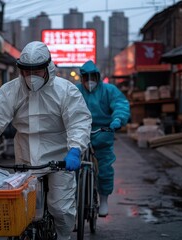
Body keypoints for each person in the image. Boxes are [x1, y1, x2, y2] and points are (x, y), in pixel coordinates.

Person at [0, 41, 92, 240]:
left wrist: (75, 150)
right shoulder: (11, 91)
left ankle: (64, 237)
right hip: (25, 157)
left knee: (60, 207)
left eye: (37, 71)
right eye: (27, 72)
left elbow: (78, 122)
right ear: (21, 70)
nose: (31, 77)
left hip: (60, 157)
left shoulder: (65, 91)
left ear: (48, 68)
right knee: (26, 211)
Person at [76, 60, 130, 217]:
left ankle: (104, 199)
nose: (90, 81)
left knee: (105, 168)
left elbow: (120, 104)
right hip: (79, 132)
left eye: (93, 77)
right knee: (69, 168)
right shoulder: (76, 90)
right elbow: (65, 106)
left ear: (98, 77)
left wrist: (117, 120)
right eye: (86, 78)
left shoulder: (109, 90)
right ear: (82, 79)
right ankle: (72, 203)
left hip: (104, 132)